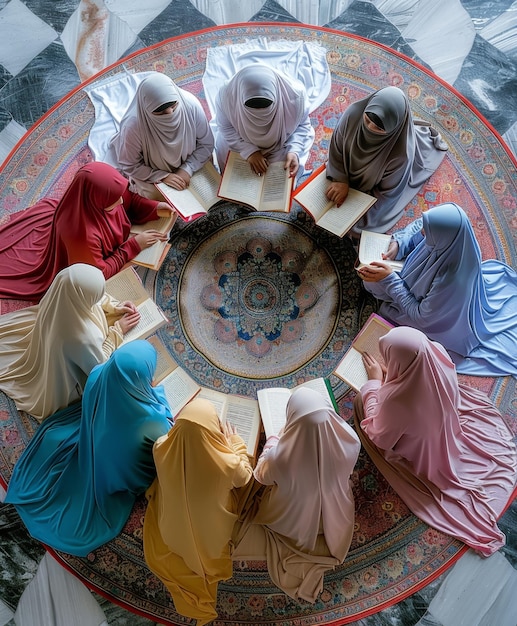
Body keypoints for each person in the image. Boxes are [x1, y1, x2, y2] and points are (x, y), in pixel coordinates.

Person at [354, 326, 517, 556]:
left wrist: (374, 384)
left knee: (362, 405)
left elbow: (379, 435)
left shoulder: (397, 404)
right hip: (445, 425)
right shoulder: (437, 353)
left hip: (421, 447)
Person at [5, 340, 172, 557]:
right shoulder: (154, 423)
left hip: (91, 439)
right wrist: (157, 395)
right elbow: (163, 433)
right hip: (117, 474)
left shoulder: (98, 374)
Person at [358, 202, 517, 377]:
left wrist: (390, 281)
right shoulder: (452, 238)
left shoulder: (451, 280)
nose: (423, 233)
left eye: (428, 231)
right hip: (426, 284)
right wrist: (398, 244)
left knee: (376, 286)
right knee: (373, 279)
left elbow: (422, 317)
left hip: (435, 314)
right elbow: (420, 226)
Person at [233, 387, 360, 602]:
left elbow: (261, 475)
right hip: (335, 507)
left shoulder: (281, 459)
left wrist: (273, 440)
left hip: (292, 514)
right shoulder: (351, 440)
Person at [143, 398, 253, 626]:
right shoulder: (227, 465)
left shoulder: (161, 446)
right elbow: (245, 475)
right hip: (212, 539)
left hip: (171, 533)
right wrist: (234, 442)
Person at [0, 161, 172, 301]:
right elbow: (97, 274)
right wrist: (133, 246)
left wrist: (155, 208)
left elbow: (129, 200)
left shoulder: (105, 192)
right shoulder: (80, 236)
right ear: (96, 201)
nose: (120, 201)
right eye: (114, 198)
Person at [0, 264, 140, 421]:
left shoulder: (63, 289)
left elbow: (94, 299)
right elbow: (99, 368)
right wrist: (118, 331)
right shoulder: (83, 338)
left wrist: (115, 307)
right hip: (68, 372)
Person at [326, 86, 448, 234]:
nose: (369, 128)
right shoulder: (354, 114)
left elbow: (387, 195)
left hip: (391, 160)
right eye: (367, 120)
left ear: (392, 131)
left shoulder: (401, 154)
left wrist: (354, 211)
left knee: (357, 227)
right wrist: (340, 179)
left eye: (378, 128)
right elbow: (337, 147)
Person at [108, 72, 214, 199]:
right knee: (158, 198)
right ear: (146, 110)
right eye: (161, 111)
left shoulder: (190, 105)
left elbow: (206, 143)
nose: (170, 113)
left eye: (174, 106)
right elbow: (130, 164)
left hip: (191, 161)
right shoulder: (134, 126)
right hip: (153, 170)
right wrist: (162, 176)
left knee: (210, 185)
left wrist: (187, 169)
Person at [212, 65, 314, 179]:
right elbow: (226, 128)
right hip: (241, 141)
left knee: (289, 169)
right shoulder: (226, 97)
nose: (260, 113)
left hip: (281, 141)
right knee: (229, 167)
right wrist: (249, 152)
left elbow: (303, 125)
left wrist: (294, 150)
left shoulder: (295, 98)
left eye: (265, 106)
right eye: (253, 108)